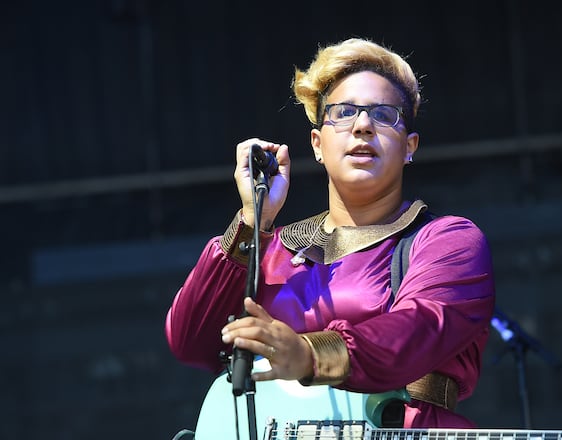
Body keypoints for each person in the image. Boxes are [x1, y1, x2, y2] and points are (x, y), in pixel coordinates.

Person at [165, 37, 496, 429]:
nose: (362, 126)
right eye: (343, 112)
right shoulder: (271, 249)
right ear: (317, 145)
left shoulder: (447, 241)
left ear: (410, 147)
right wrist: (252, 221)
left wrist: (309, 354)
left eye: (384, 115)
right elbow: (191, 342)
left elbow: (418, 329)